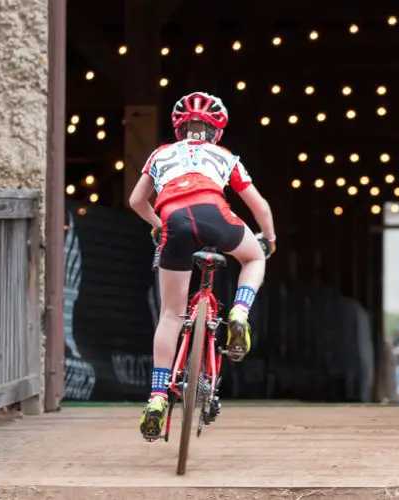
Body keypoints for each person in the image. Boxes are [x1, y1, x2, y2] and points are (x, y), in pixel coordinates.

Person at [128, 91, 277, 440]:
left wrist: (159, 225)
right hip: (215, 214)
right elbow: (260, 206)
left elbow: (136, 200)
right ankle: (240, 313)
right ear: (217, 130)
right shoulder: (225, 155)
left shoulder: (161, 154)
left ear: (180, 128)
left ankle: (157, 396)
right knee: (253, 257)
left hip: (174, 220)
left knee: (170, 314)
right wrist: (268, 238)